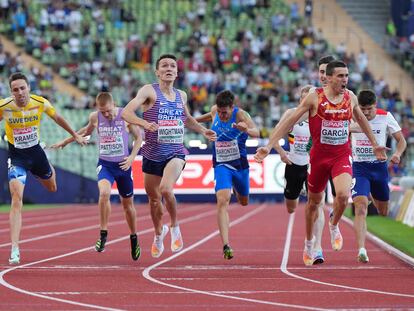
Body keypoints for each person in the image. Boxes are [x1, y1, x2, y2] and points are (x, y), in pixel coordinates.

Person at [255, 60, 387, 266]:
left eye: (347, 76)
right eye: (341, 76)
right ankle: (309, 243)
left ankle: (334, 226)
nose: (345, 79)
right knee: (313, 204)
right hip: (318, 158)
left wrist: (375, 144)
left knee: (343, 195)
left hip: (341, 155)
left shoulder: (350, 97)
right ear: (330, 77)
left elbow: (361, 119)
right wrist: (269, 145)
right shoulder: (314, 97)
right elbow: (289, 121)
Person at [121, 54, 216, 258]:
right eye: (164, 66)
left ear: (177, 72)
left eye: (172, 66)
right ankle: (158, 234)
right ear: (157, 72)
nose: (169, 68)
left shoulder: (181, 95)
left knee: (166, 188)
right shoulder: (149, 91)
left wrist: (202, 130)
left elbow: (186, 118)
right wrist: (145, 124)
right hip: (152, 153)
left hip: (175, 151)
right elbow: (126, 114)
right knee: (154, 201)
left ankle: (174, 226)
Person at [255, 55, 336, 265]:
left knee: (317, 205)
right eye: (304, 96)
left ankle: (317, 248)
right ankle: (296, 192)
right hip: (294, 163)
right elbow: (276, 131)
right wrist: (280, 152)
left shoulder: (326, 111)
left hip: (315, 164)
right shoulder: (293, 113)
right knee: (291, 206)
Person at [0, 72, 87, 265]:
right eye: (15, 90)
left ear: (29, 88)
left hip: (37, 154)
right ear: (11, 92)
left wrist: (75, 135)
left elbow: (58, 118)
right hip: (17, 157)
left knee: (52, 187)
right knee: (16, 198)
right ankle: (15, 248)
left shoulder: (40, 103)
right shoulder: (4, 107)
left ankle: (47, 167)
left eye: (23, 88)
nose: (20, 92)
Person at [51, 92, 143, 261]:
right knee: (104, 194)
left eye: (108, 111)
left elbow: (139, 138)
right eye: (102, 111)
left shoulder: (125, 115)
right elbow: (85, 132)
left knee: (127, 206)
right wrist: (66, 141)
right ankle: (103, 233)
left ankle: (134, 237)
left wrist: (132, 158)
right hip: (105, 164)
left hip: (123, 166)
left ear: (113, 104)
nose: (106, 115)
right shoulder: (95, 117)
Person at [201, 90, 259, 259]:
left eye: (224, 112)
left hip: (240, 165)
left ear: (232, 108)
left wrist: (246, 128)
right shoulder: (214, 111)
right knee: (222, 200)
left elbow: (257, 132)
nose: (221, 115)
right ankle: (226, 245)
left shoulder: (240, 114)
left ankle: (235, 187)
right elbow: (208, 116)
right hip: (221, 164)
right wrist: (191, 121)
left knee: (243, 202)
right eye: (219, 112)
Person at [350, 90, 406, 263]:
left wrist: (397, 154)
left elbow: (401, 140)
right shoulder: (352, 116)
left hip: (379, 169)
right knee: (360, 207)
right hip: (359, 168)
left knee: (383, 211)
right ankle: (361, 249)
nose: (366, 113)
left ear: (376, 105)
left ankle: (371, 193)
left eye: (369, 109)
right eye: (363, 109)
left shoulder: (385, 116)